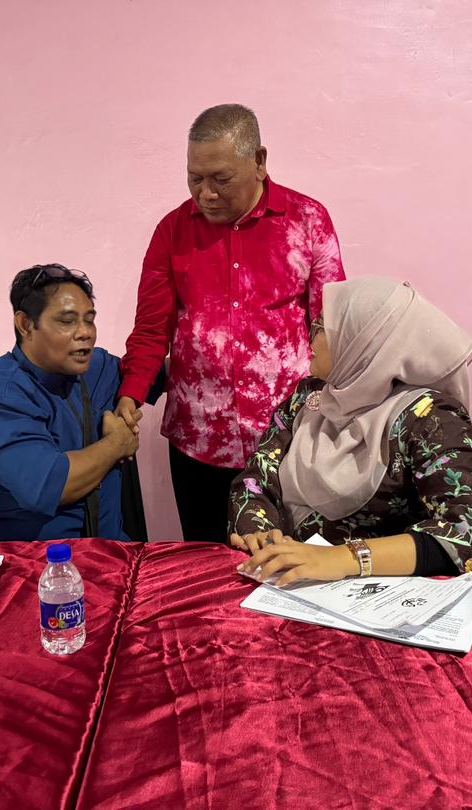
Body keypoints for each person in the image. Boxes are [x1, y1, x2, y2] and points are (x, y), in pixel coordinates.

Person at [117, 103, 346, 543]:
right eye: (195, 179)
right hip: (199, 442)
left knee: (291, 562)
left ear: (259, 161)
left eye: (220, 179)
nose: (205, 194)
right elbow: (150, 330)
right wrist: (132, 395)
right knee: (208, 566)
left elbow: (331, 327)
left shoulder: (307, 221)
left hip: (289, 440)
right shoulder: (172, 231)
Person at [231, 277, 472, 585]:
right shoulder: (309, 398)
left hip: (379, 595)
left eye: (322, 328)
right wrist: (261, 535)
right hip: (289, 585)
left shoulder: (427, 418)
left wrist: (344, 558)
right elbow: (256, 480)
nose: (309, 337)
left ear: (363, 342)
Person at [0, 264, 145, 542]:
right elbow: (51, 486)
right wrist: (118, 443)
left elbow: (157, 373)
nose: (85, 333)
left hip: (112, 552)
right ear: (25, 324)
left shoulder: (98, 369)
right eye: (67, 321)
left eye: (89, 320)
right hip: (25, 559)